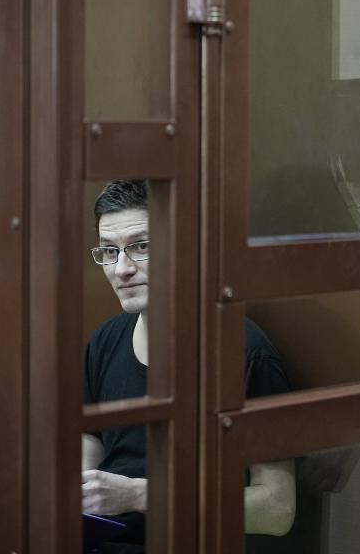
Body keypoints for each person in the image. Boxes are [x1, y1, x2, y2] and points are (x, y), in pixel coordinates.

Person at [82, 180, 295, 552]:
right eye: (109, 251)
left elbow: (277, 510)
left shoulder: (244, 352)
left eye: (141, 247)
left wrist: (135, 494)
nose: (122, 269)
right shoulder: (105, 341)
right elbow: (88, 452)